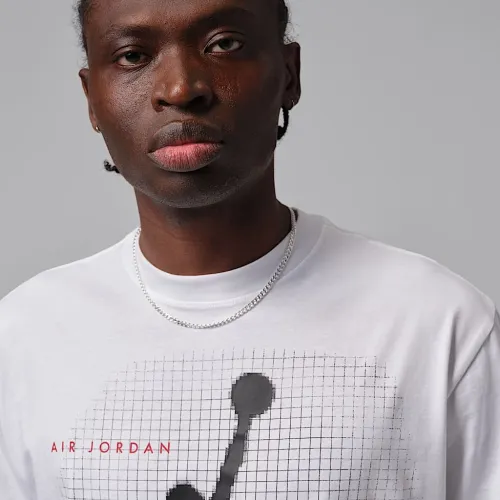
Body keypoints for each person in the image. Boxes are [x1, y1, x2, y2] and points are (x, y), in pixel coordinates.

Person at [0, 0, 499, 498]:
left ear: (288, 75)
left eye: (224, 44)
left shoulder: (438, 325)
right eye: (133, 56)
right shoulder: (25, 338)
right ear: (93, 100)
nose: (181, 88)